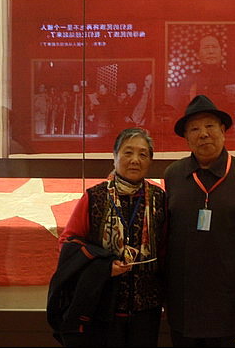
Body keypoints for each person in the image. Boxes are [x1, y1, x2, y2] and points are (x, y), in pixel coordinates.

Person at [164, 95, 235, 346]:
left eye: (210, 126)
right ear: (186, 138)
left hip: (231, 303)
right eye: (194, 129)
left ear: (223, 131)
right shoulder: (174, 175)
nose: (203, 134)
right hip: (183, 304)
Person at [50, 128, 167, 347]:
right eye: (128, 152)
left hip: (146, 307)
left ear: (150, 160)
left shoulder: (159, 198)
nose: (135, 160)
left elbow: (165, 249)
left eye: (143, 154)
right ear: (114, 156)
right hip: (102, 304)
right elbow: (68, 243)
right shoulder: (95, 196)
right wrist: (103, 266)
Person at [178, 34, 235, 134]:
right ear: (198, 55)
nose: (211, 51)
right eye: (206, 47)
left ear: (221, 52)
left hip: (231, 134)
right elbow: (180, 113)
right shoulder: (188, 82)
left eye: (214, 47)